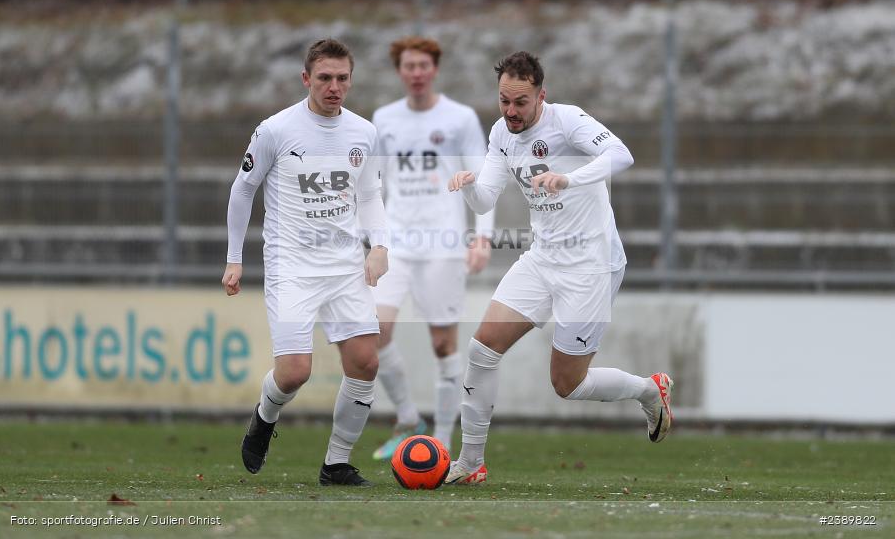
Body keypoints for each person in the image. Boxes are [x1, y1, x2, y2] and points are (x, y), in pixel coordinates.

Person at [444, 51, 673, 485]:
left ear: (541, 96)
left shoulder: (567, 121)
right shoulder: (500, 133)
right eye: (504, 101)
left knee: (568, 384)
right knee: (482, 349)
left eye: (521, 102)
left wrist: (572, 177)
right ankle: (471, 464)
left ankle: (649, 390)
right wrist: (468, 187)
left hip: (590, 265)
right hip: (542, 258)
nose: (511, 112)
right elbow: (487, 197)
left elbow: (622, 155)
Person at [222, 38, 389, 487]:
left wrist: (380, 247)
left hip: (343, 265)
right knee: (295, 372)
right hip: (291, 265)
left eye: (342, 78)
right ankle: (265, 415)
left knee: (365, 362)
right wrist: (234, 259)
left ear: (351, 80)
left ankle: (336, 464)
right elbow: (242, 190)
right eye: (324, 78)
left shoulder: (364, 132)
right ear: (305, 79)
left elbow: (370, 195)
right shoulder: (275, 129)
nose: (334, 87)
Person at [369, 37, 494, 460]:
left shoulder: (459, 118)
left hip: (442, 242)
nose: (417, 72)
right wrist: (371, 240)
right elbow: (375, 185)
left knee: (443, 345)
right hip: (397, 243)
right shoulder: (384, 119)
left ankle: (440, 442)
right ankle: (408, 418)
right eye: (409, 65)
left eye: (424, 65)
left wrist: (482, 237)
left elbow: (483, 179)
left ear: (435, 69)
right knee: (374, 331)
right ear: (400, 71)